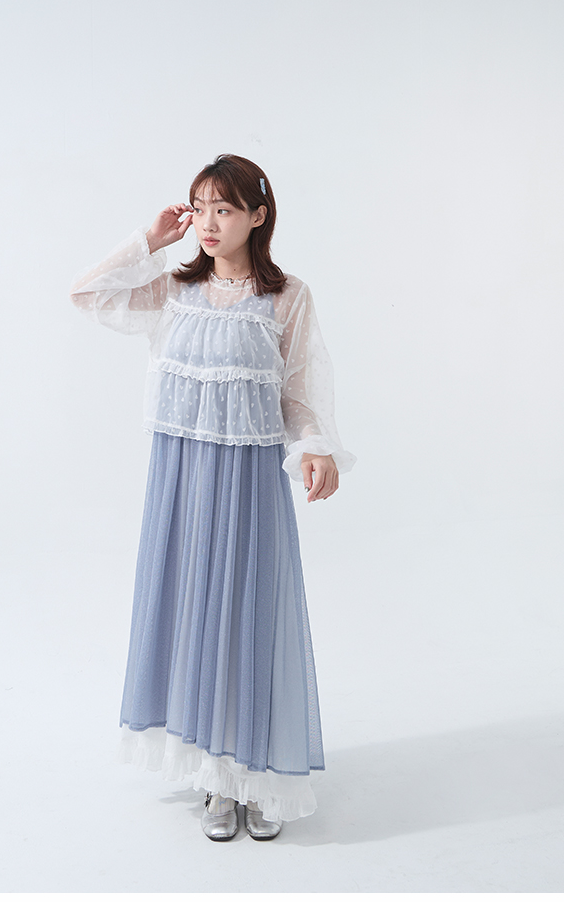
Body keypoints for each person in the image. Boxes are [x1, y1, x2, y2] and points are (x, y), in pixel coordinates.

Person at [69, 154, 355, 841]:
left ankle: (255, 776)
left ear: (258, 216)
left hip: (250, 482)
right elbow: (86, 293)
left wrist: (316, 448)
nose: (208, 222)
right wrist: (150, 240)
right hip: (182, 482)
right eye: (200, 207)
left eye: (224, 209)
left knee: (246, 617)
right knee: (193, 614)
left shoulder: (287, 298)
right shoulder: (173, 290)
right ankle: (214, 779)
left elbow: (300, 392)